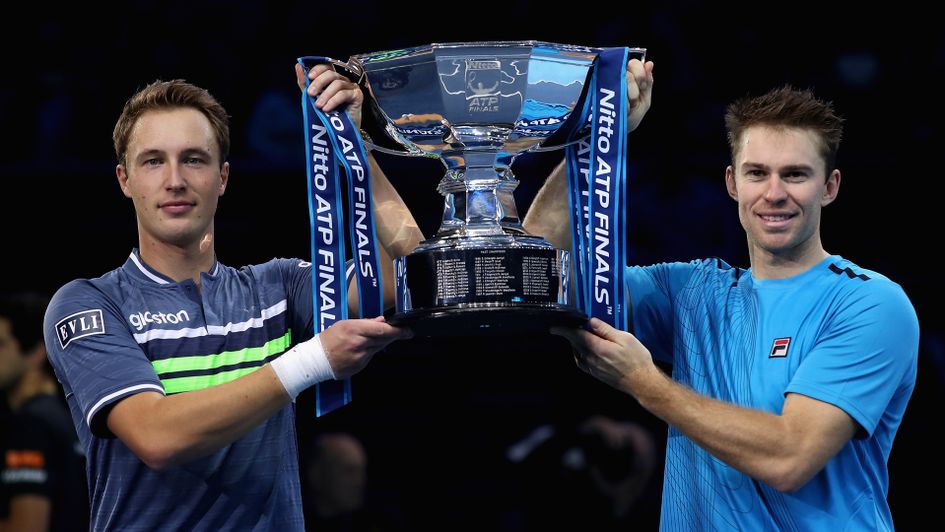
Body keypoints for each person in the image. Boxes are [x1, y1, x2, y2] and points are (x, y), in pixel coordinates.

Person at [42, 77, 412, 530]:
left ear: (222, 177)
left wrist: (357, 146)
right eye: (154, 161)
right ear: (125, 179)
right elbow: (157, 436)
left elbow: (405, 274)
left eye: (193, 159)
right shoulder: (88, 304)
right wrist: (314, 360)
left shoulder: (277, 288)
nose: (175, 181)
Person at [546, 86, 920, 529]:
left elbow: (790, 457)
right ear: (732, 182)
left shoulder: (869, 303)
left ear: (829, 187)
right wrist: (601, 134)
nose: (774, 193)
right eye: (757, 173)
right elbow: (540, 271)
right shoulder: (692, 293)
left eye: (795, 174)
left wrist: (643, 382)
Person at [0, 293, 88, 532]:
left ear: (37, 352)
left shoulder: (30, 425)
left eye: (1, 344)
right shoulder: (69, 416)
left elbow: (27, 528)